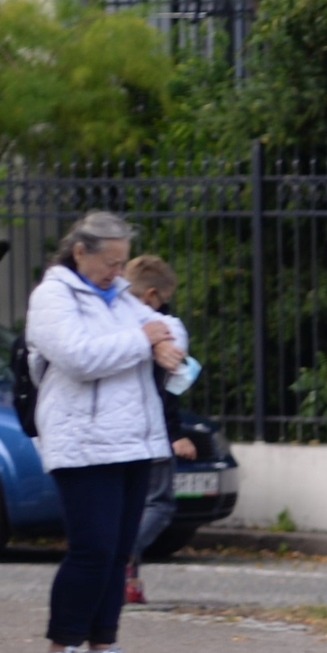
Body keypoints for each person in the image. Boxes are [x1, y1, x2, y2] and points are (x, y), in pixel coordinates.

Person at [25, 212, 181, 653]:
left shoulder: (118, 297)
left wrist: (161, 341)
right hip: (83, 441)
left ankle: (103, 645)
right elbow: (79, 356)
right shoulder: (54, 295)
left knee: (119, 551)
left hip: (133, 439)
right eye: (110, 262)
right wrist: (145, 340)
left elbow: (167, 325)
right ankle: (61, 648)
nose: (118, 272)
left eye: (121, 262)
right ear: (80, 252)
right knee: (91, 548)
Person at [122, 255, 200, 606]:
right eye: (163, 297)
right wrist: (176, 432)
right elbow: (167, 386)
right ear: (152, 294)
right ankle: (121, 556)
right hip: (150, 431)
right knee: (159, 505)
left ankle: (130, 581)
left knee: (131, 506)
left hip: (115, 432)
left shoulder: (110, 319)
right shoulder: (167, 329)